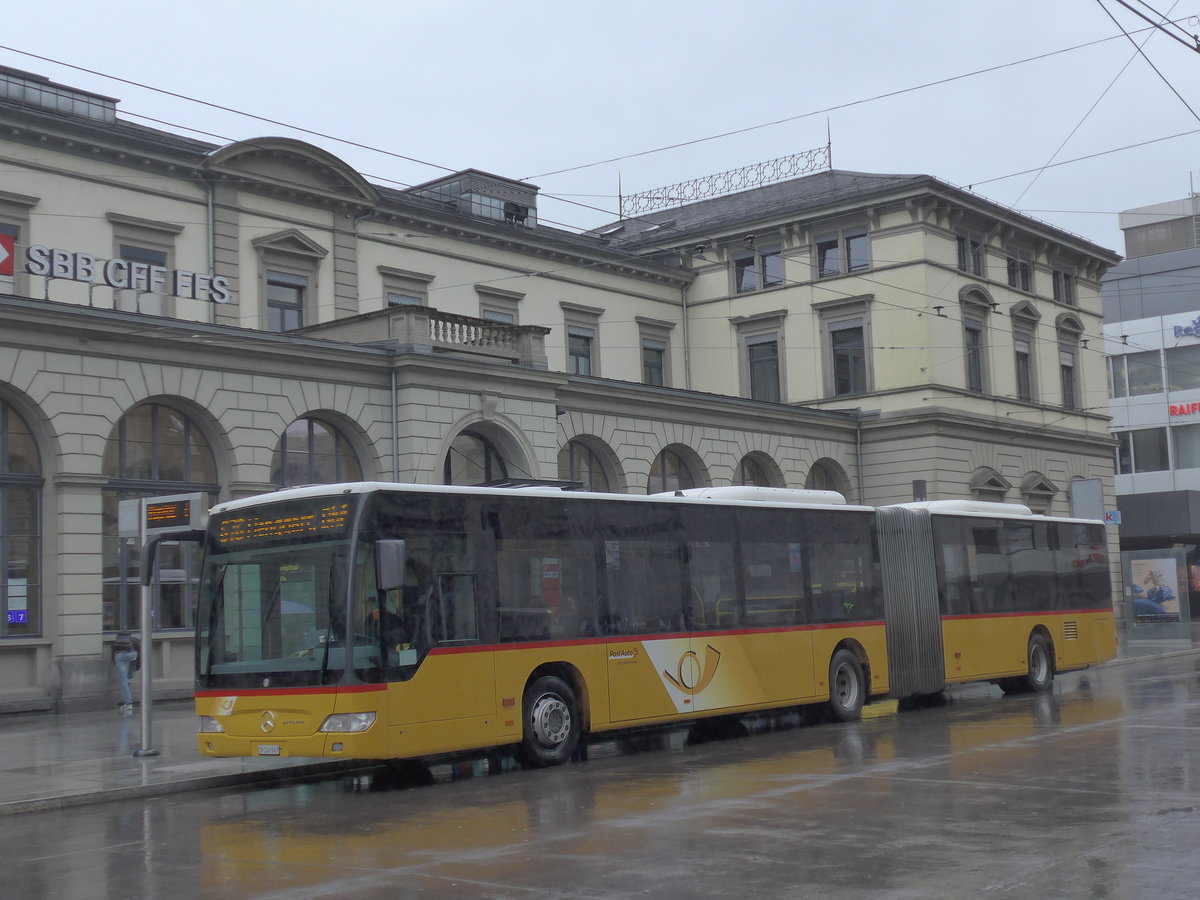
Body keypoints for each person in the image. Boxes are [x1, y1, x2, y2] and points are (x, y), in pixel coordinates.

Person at [112, 629, 141, 714]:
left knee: (123, 680)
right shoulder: (134, 640)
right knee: (133, 659)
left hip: (119, 656)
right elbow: (139, 655)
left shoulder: (117, 641)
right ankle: (129, 677)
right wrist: (136, 668)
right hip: (132, 654)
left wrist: (114, 662)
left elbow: (113, 653)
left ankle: (128, 703)